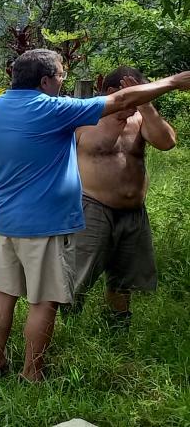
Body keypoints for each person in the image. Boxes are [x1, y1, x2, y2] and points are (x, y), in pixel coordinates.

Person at [0, 50, 190, 382]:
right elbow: (121, 98)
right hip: (45, 225)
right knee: (44, 302)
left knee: (4, 294)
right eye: (62, 76)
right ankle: (32, 373)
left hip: (5, 224)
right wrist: (174, 82)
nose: (63, 82)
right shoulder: (52, 109)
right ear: (46, 80)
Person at [70, 67, 177, 325]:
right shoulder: (84, 118)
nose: (139, 101)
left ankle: (118, 324)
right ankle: (66, 326)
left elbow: (167, 142)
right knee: (77, 274)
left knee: (124, 278)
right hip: (92, 207)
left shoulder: (141, 119)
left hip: (133, 212)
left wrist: (146, 105)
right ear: (112, 92)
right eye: (136, 95)